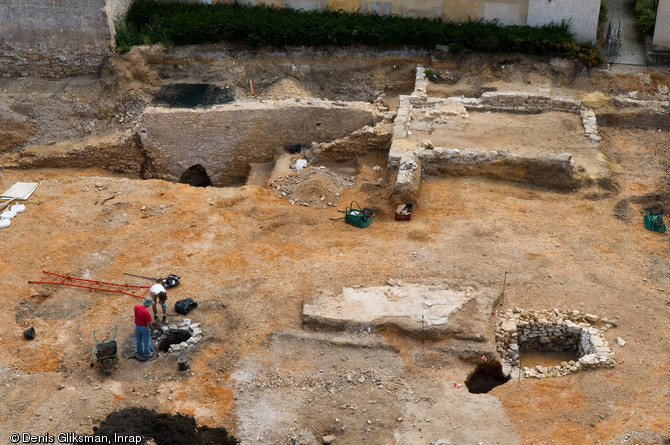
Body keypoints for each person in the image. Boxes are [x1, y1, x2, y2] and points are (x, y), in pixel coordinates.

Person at [134, 296, 155, 362]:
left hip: (137, 327)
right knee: (146, 341)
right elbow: (149, 323)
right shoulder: (146, 313)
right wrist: (153, 330)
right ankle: (147, 355)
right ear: (148, 305)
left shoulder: (136, 307)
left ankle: (139, 352)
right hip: (144, 328)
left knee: (138, 340)